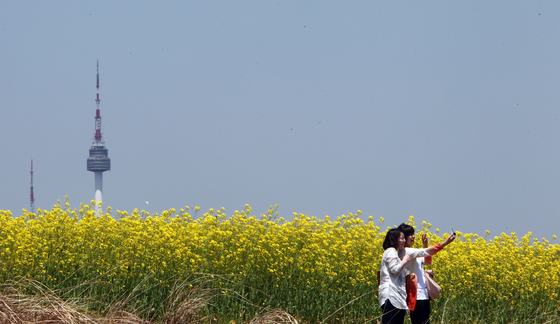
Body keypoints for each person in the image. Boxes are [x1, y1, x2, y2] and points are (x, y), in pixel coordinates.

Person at [378, 228, 455, 324]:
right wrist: (444, 243)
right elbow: (426, 252)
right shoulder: (405, 252)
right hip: (415, 294)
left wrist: (425, 246)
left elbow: (427, 261)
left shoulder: (411, 252)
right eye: (409, 235)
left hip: (418, 294)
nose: (413, 237)